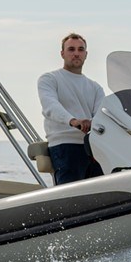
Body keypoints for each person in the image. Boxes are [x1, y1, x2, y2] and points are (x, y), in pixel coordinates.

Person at [37, 32, 106, 184]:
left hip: (93, 147)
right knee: (69, 195)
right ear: (62, 53)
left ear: (86, 54)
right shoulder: (50, 79)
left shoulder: (95, 87)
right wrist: (73, 121)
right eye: (71, 49)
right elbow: (50, 105)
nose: (76, 53)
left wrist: (93, 123)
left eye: (80, 49)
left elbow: (101, 114)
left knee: (100, 193)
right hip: (65, 146)